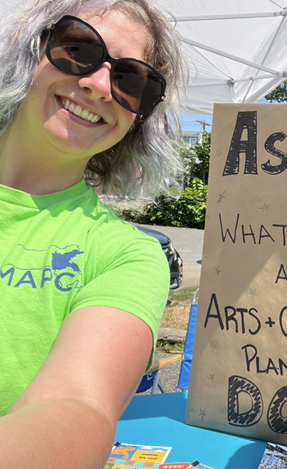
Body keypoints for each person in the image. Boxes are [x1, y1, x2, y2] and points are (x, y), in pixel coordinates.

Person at [0, 0, 187, 466]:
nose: (100, 84)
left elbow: (79, 406)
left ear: (139, 119)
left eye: (132, 81)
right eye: (79, 48)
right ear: (27, 48)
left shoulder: (128, 256)